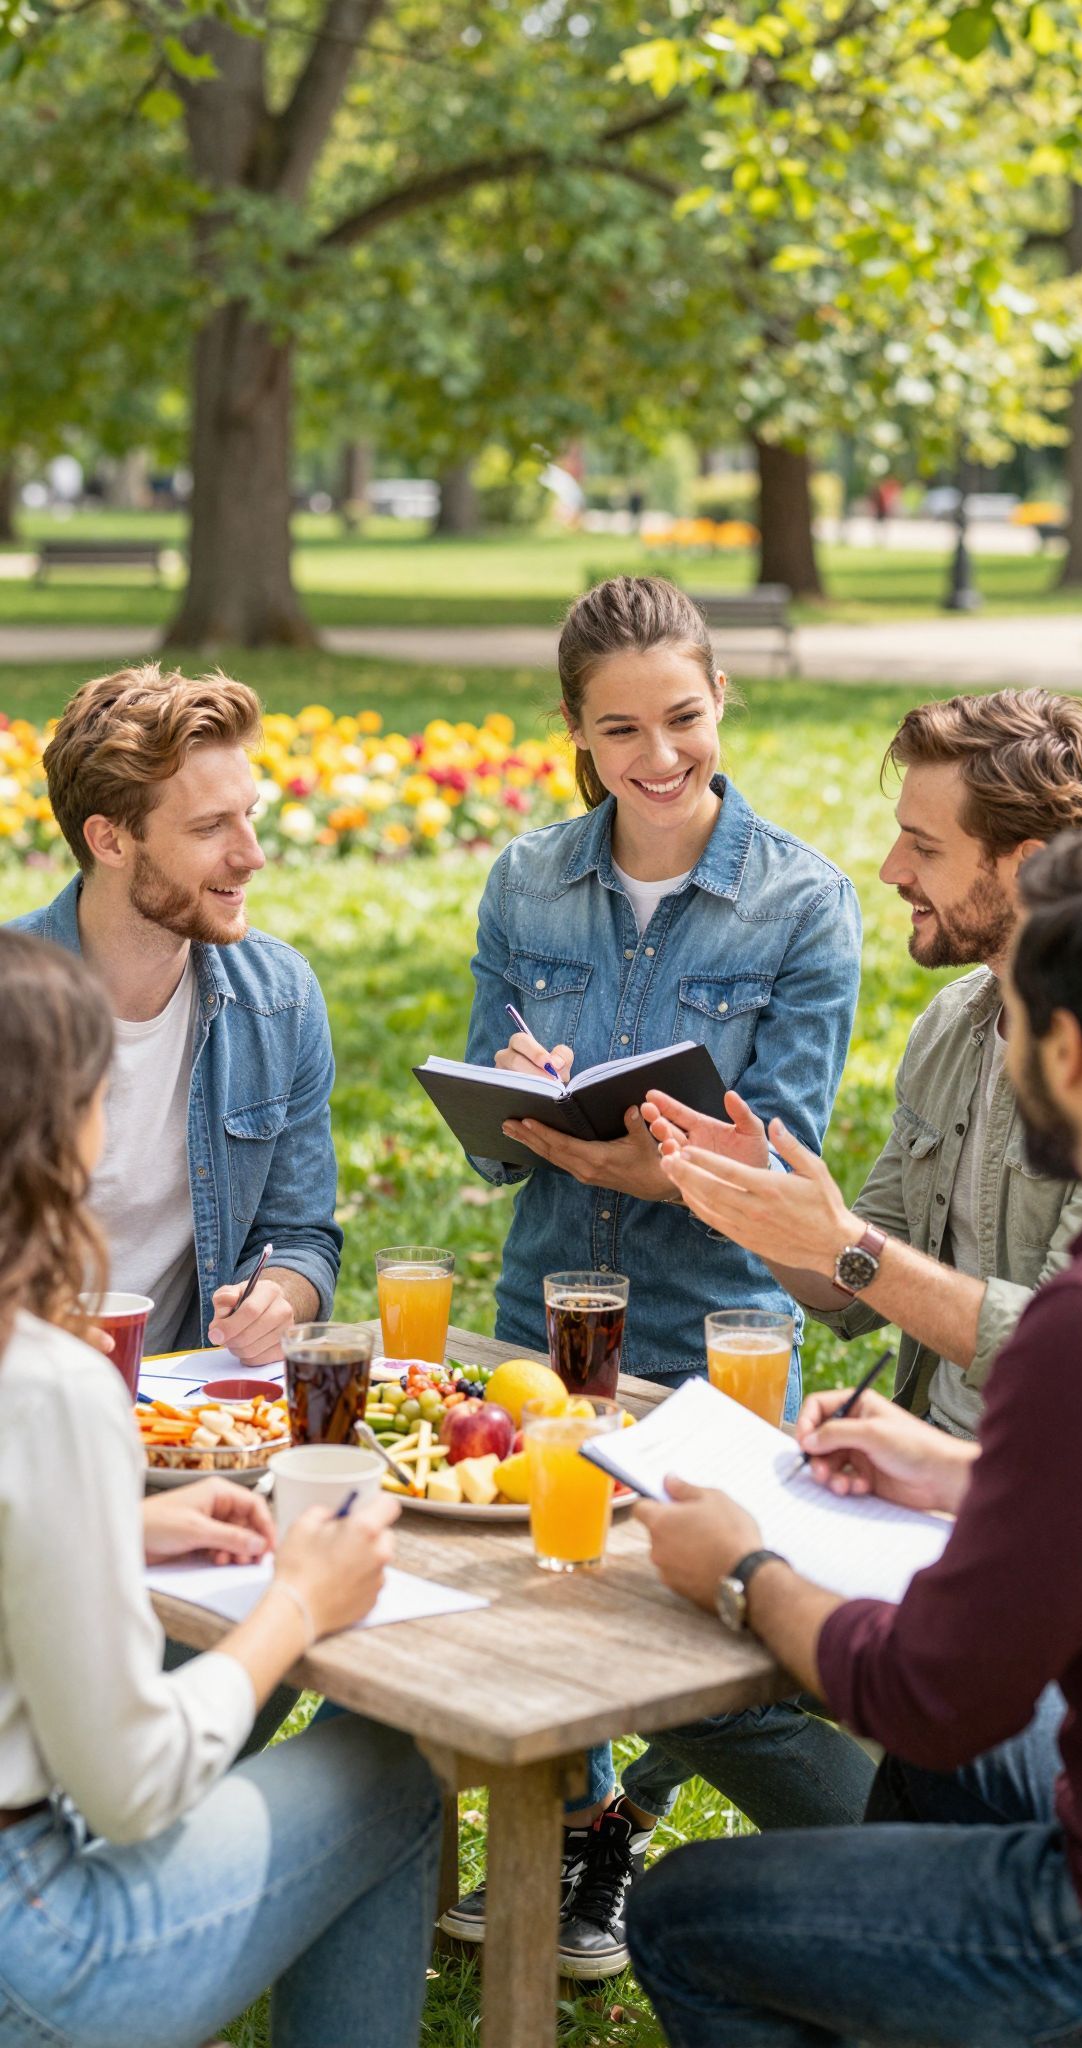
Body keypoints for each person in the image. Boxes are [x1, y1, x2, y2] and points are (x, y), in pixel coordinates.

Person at [627, 828, 1082, 2048]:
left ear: (1065, 1051)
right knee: (934, 1792)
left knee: (681, 1917)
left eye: (1015, 1025)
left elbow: (935, 1692)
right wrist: (963, 1472)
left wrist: (747, 1572)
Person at [440, 575, 865, 1976]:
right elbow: (501, 1147)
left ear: (721, 700)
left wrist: (655, 1166)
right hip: (547, 1306)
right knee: (531, 1593)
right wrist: (520, 1105)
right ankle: (570, 1816)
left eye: (682, 718)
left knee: (689, 1636)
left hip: (712, 1325)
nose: (659, 757)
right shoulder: (526, 880)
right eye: (621, 729)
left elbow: (782, 1177)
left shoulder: (802, 902)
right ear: (576, 729)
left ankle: (624, 1820)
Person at [0, 929, 440, 2048]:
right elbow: (131, 1785)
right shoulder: (46, 1382)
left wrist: (125, 1519)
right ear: (68, 1133)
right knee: (390, 1769)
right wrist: (300, 1599)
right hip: (38, 1946)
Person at [649, 687, 1082, 1433]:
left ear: (1027, 868)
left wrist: (846, 1242)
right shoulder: (954, 1025)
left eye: (926, 846)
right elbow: (852, 1290)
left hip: (1048, 1477)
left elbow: (1067, 1355)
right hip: (924, 1450)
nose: (889, 868)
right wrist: (753, 1198)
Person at [8, 665, 342, 1368]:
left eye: (249, 814)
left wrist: (278, 1296)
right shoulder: (15, 1003)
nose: (251, 855)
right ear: (111, 841)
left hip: (187, 1405)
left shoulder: (280, 999)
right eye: (210, 827)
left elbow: (301, 1234)